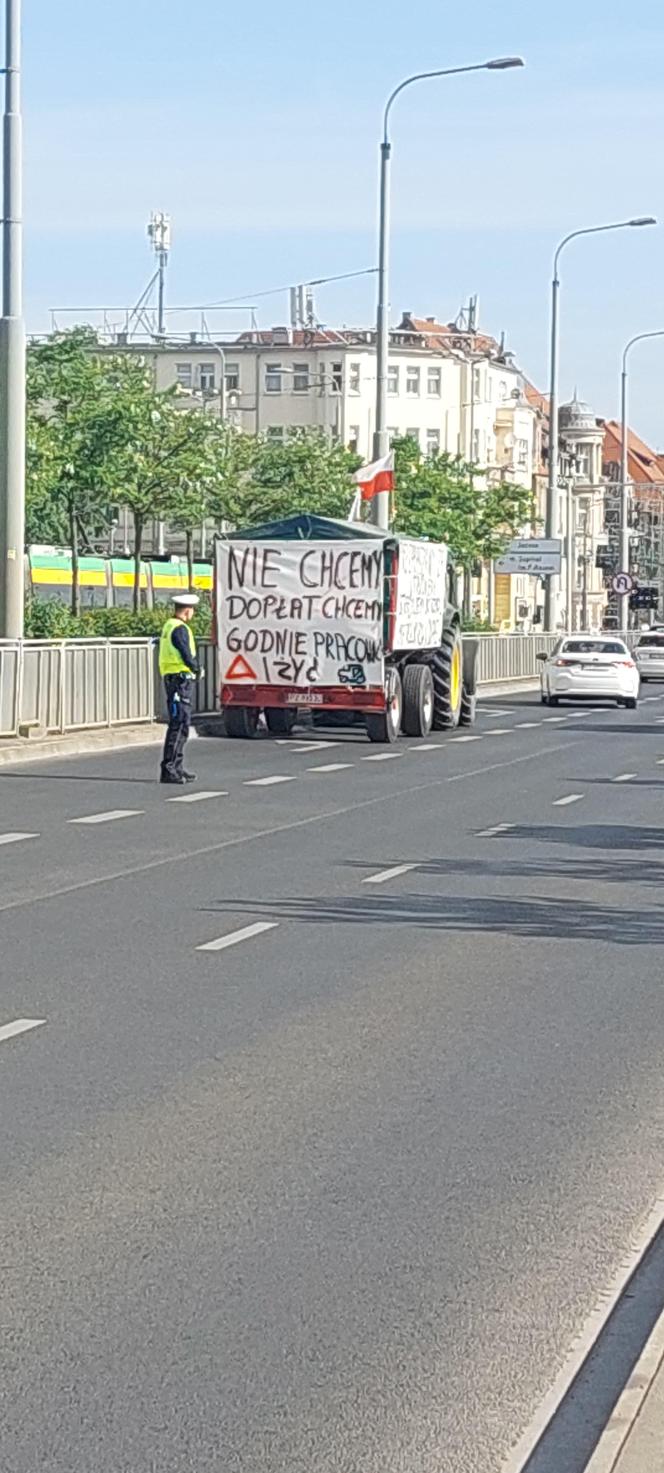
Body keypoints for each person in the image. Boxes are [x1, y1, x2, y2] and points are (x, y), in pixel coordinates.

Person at [159, 593, 201, 785]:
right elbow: (185, 652)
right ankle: (170, 770)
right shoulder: (180, 629)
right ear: (187, 610)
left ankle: (176, 766)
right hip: (180, 681)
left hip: (172, 678)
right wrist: (196, 668)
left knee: (180, 724)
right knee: (180, 725)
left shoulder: (169, 626)